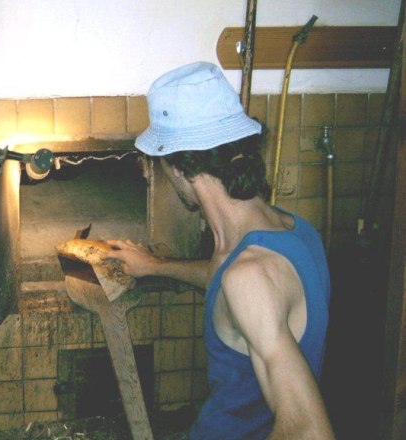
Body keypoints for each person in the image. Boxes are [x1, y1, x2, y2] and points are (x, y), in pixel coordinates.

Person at [105, 61, 335, 440]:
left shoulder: (250, 276)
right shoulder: (290, 229)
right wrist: (155, 265)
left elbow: (309, 431)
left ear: (178, 166)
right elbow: (228, 286)